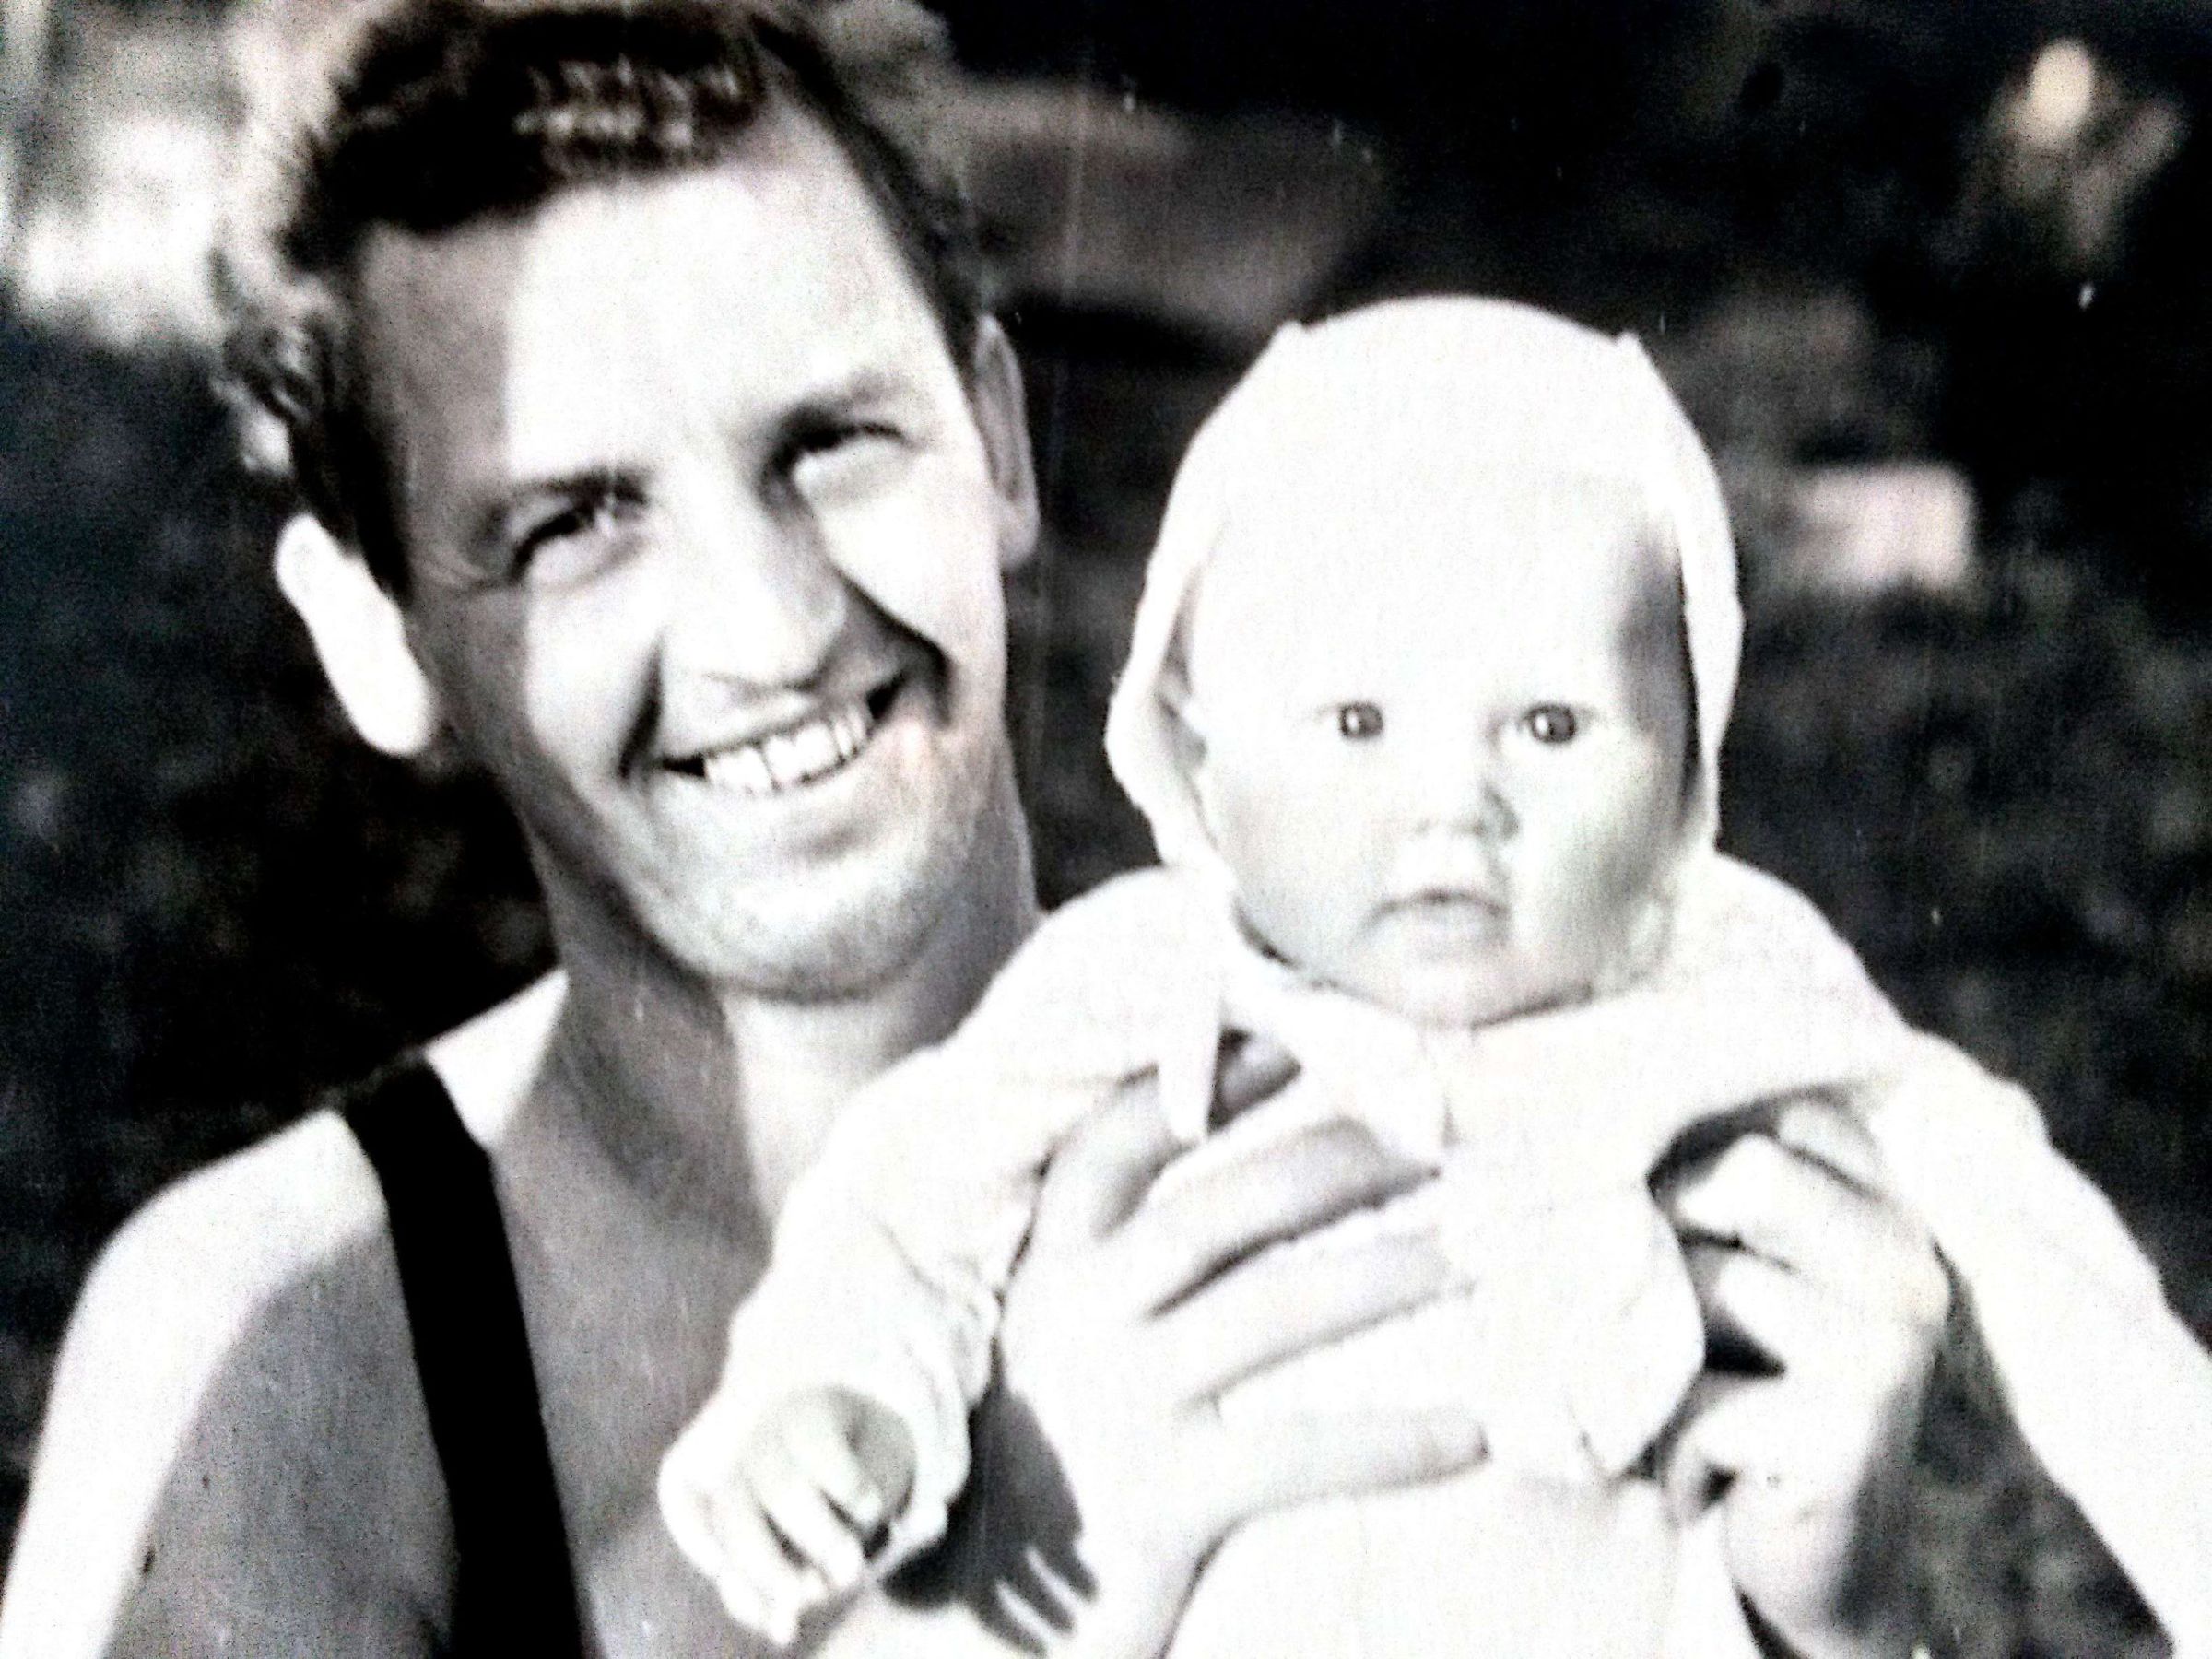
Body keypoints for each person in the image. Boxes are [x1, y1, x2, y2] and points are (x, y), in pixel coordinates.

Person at [0, 4, 1489, 1653]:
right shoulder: (287, 1351)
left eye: (833, 442)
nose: (774, 631)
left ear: (996, 442)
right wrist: (996, 1618)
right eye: (574, 523)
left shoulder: (1382, 1093)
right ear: (377, 634)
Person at [663, 300, 2212, 1656]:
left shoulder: (1721, 972)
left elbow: (2024, 1235)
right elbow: (909, 1198)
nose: (1451, 809)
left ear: (1687, 754)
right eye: (1355, 725)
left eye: (1549, 726)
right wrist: (834, 1401)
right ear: (1200, 746)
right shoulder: (1138, 976)